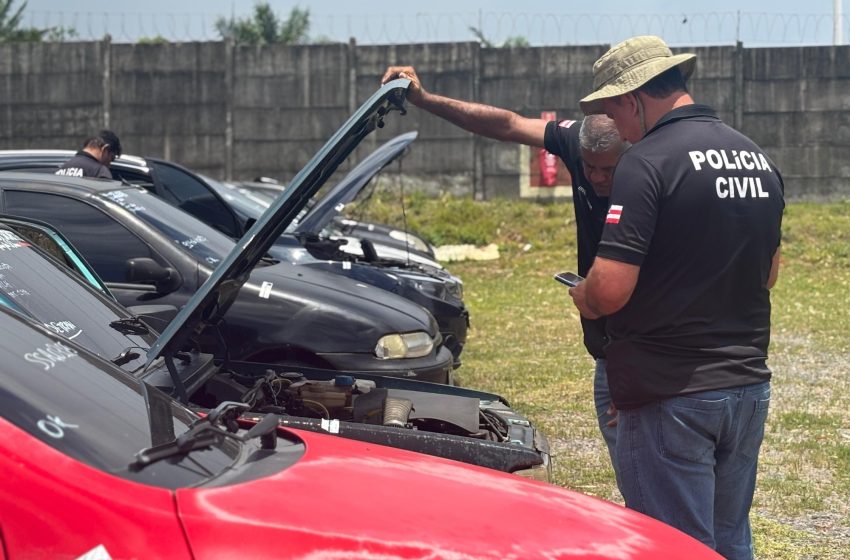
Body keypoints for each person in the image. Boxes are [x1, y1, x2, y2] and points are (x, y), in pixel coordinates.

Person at [569, 36, 784, 559]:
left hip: (672, 394)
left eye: (613, 113)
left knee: (674, 547)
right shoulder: (756, 157)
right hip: (746, 387)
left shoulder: (646, 162)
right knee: (730, 539)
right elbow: (769, 273)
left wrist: (583, 296)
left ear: (633, 98)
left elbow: (611, 289)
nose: (616, 129)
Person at [381, 65, 628, 473]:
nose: (598, 177)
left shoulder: (652, 163)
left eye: (609, 169)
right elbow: (507, 124)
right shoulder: (573, 140)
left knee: (646, 475)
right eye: (590, 168)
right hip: (606, 340)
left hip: (637, 347)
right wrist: (425, 100)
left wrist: (634, 377)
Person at [55, 130, 122, 179]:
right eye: (111, 158)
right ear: (105, 149)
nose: (109, 165)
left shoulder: (61, 170)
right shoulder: (100, 172)